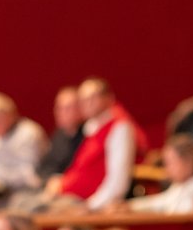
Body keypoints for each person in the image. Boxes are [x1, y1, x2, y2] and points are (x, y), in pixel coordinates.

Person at [45, 78, 144, 210]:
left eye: (93, 98)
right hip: (70, 197)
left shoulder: (119, 127)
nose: (87, 104)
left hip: (86, 204)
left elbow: (117, 182)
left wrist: (90, 206)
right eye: (83, 99)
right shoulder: (92, 128)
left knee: (33, 208)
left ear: (109, 98)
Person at [128, 135, 193, 214]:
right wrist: (129, 206)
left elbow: (178, 210)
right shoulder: (179, 185)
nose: (167, 169)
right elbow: (159, 202)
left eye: (170, 163)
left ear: (188, 162)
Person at [35, 87, 84, 183]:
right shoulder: (59, 134)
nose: (61, 113)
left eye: (67, 108)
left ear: (81, 109)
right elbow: (47, 165)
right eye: (58, 108)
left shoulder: (89, 136)